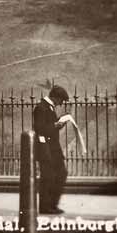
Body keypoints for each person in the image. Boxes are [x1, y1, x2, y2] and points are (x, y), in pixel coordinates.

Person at [33, 84, 74, 214]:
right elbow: (40, 129)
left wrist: (58, 123)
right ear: (55, 98)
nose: (61, 104)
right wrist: (56, 125)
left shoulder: (48, 107)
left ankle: (52, 205)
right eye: (61, 100)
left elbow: (48, 126)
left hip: (53, 148)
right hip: (45, 148)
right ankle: (46, 207)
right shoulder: (41, 107)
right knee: (48, 177)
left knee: (61, 174)